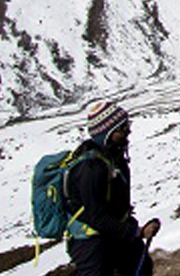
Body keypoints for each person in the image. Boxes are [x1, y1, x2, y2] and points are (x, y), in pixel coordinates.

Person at [65, 101, 160, 276]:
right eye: (121, 128)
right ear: (106, 133)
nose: (128, 131)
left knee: (142, 266)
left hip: (114, 232)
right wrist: (137, 232)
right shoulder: (91, 168)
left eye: (127, 125)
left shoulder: (113, 158)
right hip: (91, 242)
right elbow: (97, 218)